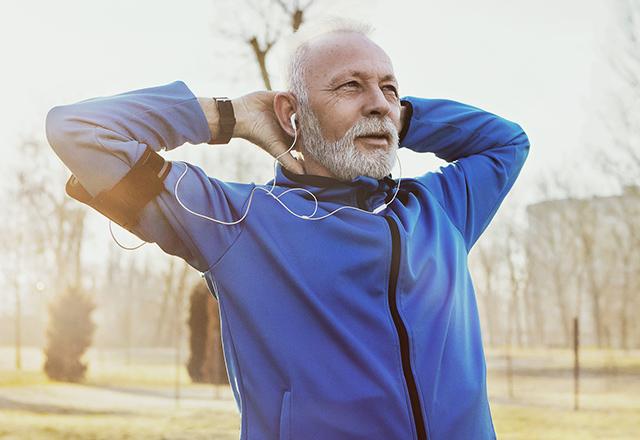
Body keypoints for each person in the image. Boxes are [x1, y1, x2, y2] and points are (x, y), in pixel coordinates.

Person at [45, 22, 529, 440]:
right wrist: (228, 116)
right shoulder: (237, 221)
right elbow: (77, 129)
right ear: (289, 112)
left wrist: (389, 113)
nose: (379, 103)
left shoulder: (440, 208)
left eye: (389, 87)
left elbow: (507, 142)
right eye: (349, 86)